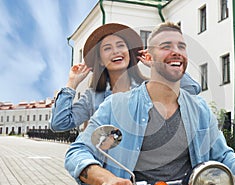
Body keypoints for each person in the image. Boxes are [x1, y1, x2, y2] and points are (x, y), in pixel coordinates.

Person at [65, 22, 235, 185]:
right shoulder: (116, 105)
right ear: (148, 57)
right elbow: (77, 152)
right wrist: (108, 179)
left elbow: (222, 156)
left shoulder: (200, 108)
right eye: (166, 46)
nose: (176, 52)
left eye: (181, 47)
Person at [50, 23, 201, 132]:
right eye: (107, 48)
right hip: (105, 168)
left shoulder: (149, 87)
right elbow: (59, 124)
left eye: (121, 45)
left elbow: (191, 90)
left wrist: (158, 66)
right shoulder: (93, 96)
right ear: (101, 60)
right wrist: (72, 83)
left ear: (129, 53)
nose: (116, 51)